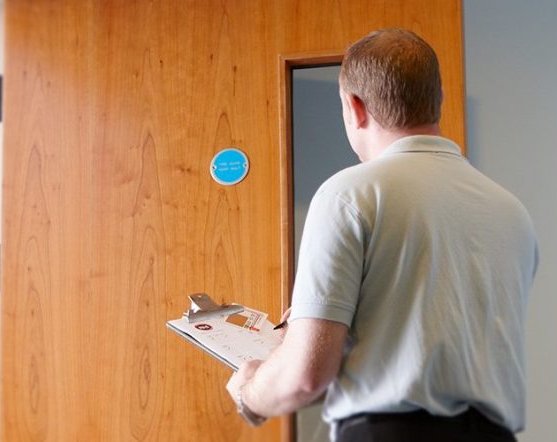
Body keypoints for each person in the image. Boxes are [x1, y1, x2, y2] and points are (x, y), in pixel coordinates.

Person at [224, 28, 538, 442]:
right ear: (436, 99)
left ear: (354, 107)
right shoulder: (512, 212)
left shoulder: (349, 195)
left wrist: (251, 389)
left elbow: (305, 377)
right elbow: (429, 345)